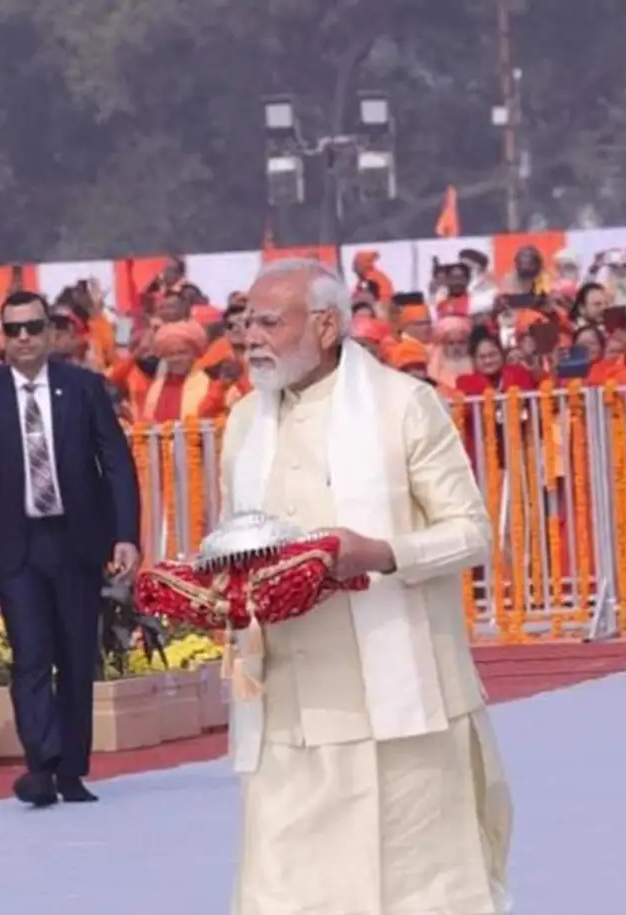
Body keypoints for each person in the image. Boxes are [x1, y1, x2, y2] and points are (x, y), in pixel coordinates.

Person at [220, 258, 511, 915]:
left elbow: (470, 532)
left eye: (269, 322)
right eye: (245, 323)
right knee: (282, 892)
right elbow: (232, 537)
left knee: (420, 890)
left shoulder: (404, 405)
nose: (249, 338)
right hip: (287, 708)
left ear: (325, 325)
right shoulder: (244, 423)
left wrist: (380, 552)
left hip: (401, 707)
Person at [0, 290, 141, 809]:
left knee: (76, 656)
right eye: (14, 330)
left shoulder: (83, 389)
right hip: (17, 547)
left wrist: (126, 535)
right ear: (3, 337)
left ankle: (72, 770)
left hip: (76, 541)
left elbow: (117, 463)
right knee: (31, 656)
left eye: (33, 328)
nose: (25, 339)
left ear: (50, 332)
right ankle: (42, 764)